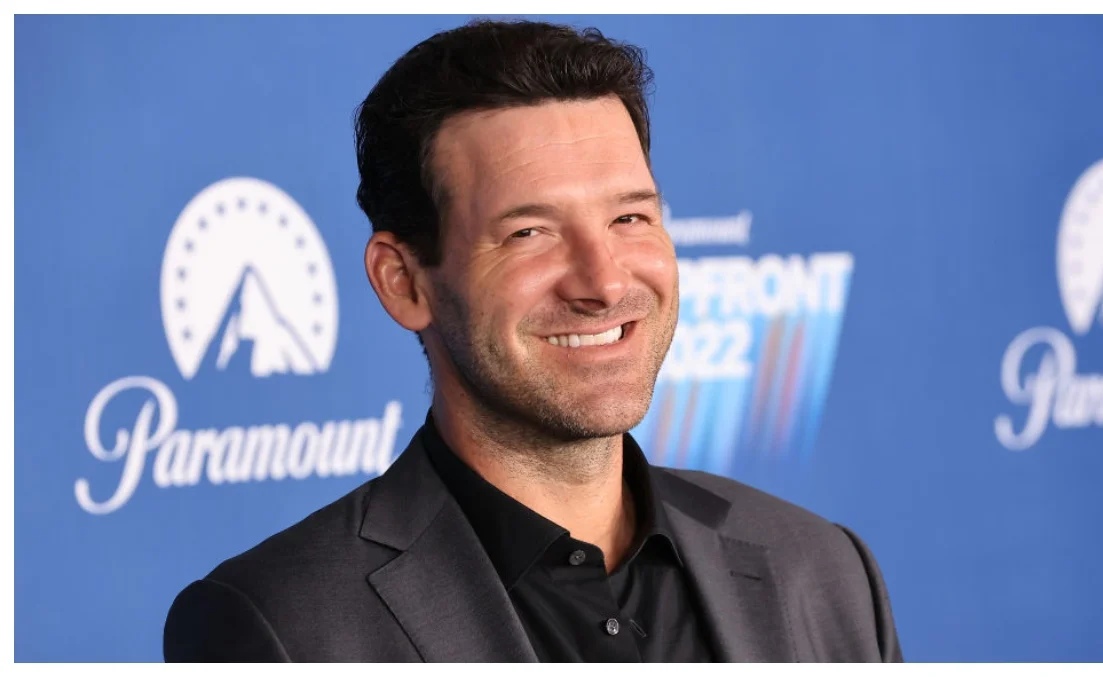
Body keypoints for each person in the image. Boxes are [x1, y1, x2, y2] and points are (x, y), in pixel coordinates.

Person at [163, 19, 903, 663]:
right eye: (529, 233)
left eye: (630, 218)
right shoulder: (281, 627)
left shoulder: (823, 569)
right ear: (404, 282)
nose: (603, 282)